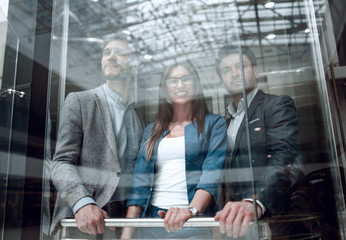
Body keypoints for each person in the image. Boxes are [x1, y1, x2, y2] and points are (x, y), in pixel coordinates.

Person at [50, 33, 145, 237]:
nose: (110, 57)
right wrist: (82, 203)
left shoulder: (138, 113)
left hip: (130, 217)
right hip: (90, 214)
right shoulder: (80, 101)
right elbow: (61, 163)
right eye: (106, 52)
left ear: (135, 65)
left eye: (120, 53)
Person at [121, 61, 227, 239]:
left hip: (190, 221)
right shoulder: (152, 129)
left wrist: (191, 211)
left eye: (186, 79)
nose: (180, 85)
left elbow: (212, 174)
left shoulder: (213, 124)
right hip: (152, 222)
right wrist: (126, 233)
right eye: (173, 81)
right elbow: (139, 183)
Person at [214, 45, 301, 238]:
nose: (234, 74)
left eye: (241, 66)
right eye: (227, 70)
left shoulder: (276, 105)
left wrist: (256, 201)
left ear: (255, 71)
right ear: (222, 81)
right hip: (233, 221)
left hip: (269, 218)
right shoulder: (225, 121)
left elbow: (284, 157)